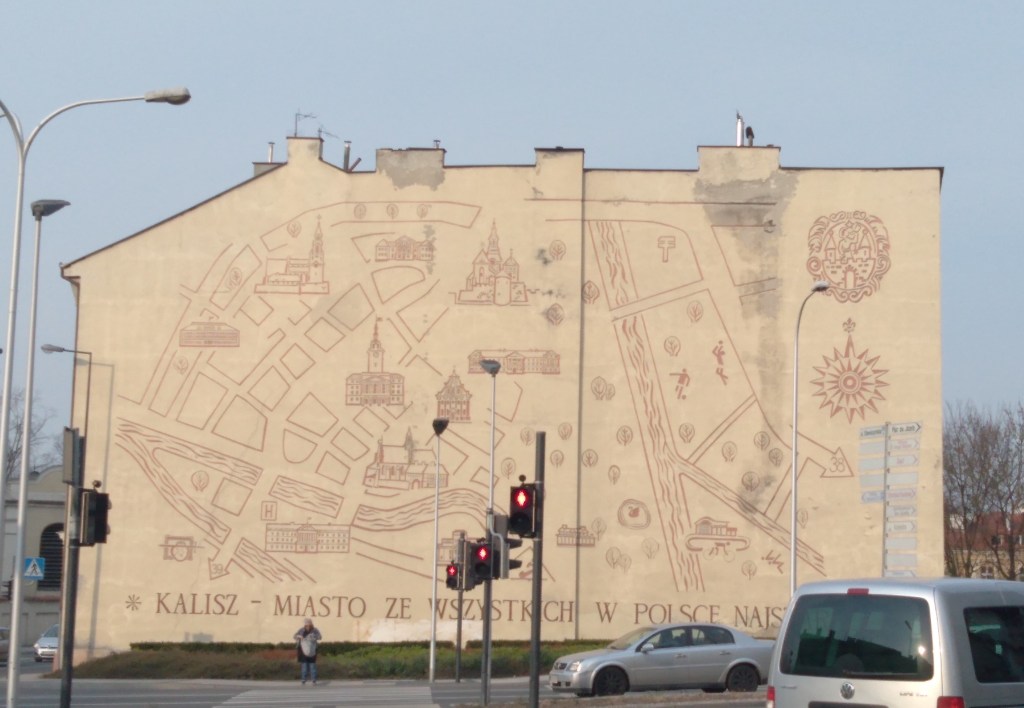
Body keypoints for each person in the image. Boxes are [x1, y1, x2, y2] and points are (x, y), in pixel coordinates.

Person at [293, 618, 322, 684]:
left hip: (312, 650)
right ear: (305, 625)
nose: (308, 626)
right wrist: (299, 636)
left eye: (309, 624)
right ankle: (303, 679)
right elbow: (294, 636)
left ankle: (314, 680)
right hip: (302, 650)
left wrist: (313, 636)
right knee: (304, 666)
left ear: (311, 624)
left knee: (312, 665)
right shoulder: (301, 630)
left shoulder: (315, 630)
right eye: (306, 624)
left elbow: (320, 637)